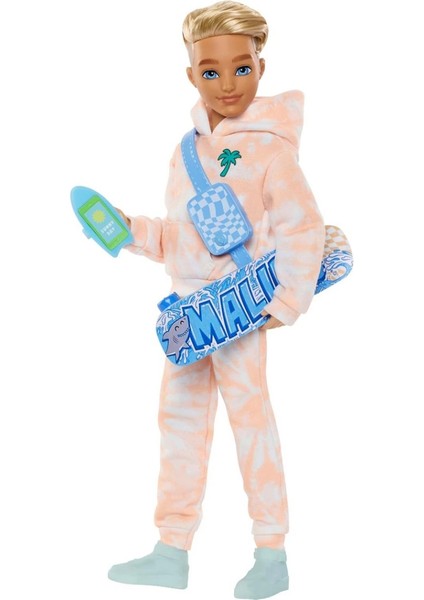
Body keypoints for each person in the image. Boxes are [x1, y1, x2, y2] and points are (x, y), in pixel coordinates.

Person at [108, 2, 325, 598]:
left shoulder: (272, 151)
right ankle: (171, 549)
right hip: (189, 317)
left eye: (241, 68)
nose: (227, 84)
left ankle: (271, 554)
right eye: (210, 71)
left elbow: (303, 227)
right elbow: (178, 237)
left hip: (240, 309)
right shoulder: (184, 153)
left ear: (261, 67)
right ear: (190, 75)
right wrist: (131, 231)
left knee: (251, 423)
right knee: (178, 424)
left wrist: (286, 303)